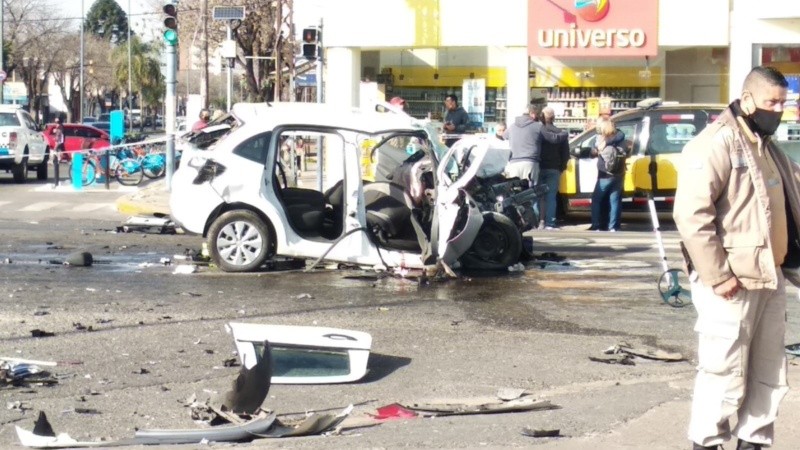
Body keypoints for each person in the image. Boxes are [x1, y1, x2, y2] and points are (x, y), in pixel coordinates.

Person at [673, 66, 800, 450]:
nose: (778, 110)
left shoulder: (769, 148)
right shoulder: (717, 142)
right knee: (723, 371)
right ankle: (708, 442)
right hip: (731, 284)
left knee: (767, 373)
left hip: (769, 277)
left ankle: (753, 441)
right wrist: (717, 275)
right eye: (771, 102)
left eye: (783, 103)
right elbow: (691, 214)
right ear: (747, 101)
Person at [504, 104, 567, 194]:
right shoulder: (538, 126)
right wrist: (564, 133)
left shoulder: (512, 126)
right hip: (530, 163)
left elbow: (503, 136)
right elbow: (553, 138)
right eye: (537, 115)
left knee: (515, 194)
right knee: (531, 194)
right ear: (532, 114)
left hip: (514, 163)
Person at [589, 119, 626, 232]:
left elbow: (593, 152)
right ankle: (613, 226)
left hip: (605, 174)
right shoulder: (620, 139)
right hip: (619, 173)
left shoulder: (602, 139)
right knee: (614, 200)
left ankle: (596, 225)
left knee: (596, 199)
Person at [537, 107, 570, 230]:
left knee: (538, 195)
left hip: (539, 166)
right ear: (553, 118)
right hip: (554, 168)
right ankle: (550, 223)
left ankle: (538, 221)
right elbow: (566, 154)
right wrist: (562, 167)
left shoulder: (539, 131)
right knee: (551, 196)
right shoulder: (560, 132)